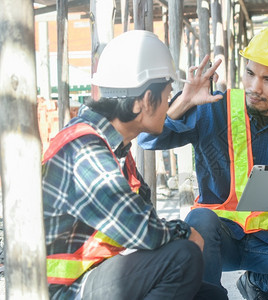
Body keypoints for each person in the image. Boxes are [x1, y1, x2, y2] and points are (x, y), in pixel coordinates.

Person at [138, 23, 268, 299]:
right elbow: (148, 140)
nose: (254, 87)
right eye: (250, 73)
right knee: (199, 218)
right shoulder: (213, 106)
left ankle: (256, 283)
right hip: (217, 237)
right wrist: (184, 103)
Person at [42, 30, 227, 300]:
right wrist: (188, 232)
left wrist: (185, 100)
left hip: (95, 273)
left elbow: (142, 221)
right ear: (143, 101)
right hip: (65, 290)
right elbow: (144, 231)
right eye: (166, 96)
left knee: (211, 296)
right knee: (183, 257)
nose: (168, 104)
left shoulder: (111, 145)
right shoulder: (85, 151)